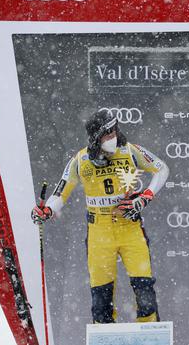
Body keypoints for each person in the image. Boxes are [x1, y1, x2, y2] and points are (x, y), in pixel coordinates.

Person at [31, 110, 169, 324]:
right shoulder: (81, 159)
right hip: (99, 233)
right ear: (95, 137)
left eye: (114, 131)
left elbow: (161, 169)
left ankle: (149, 340)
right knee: (101, 295)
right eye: (107, 134)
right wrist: (46, 210)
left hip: (130, 227)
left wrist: (144, 197)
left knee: (144, 288)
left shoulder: (130, 150)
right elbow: (61, 191)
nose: (113, 137)